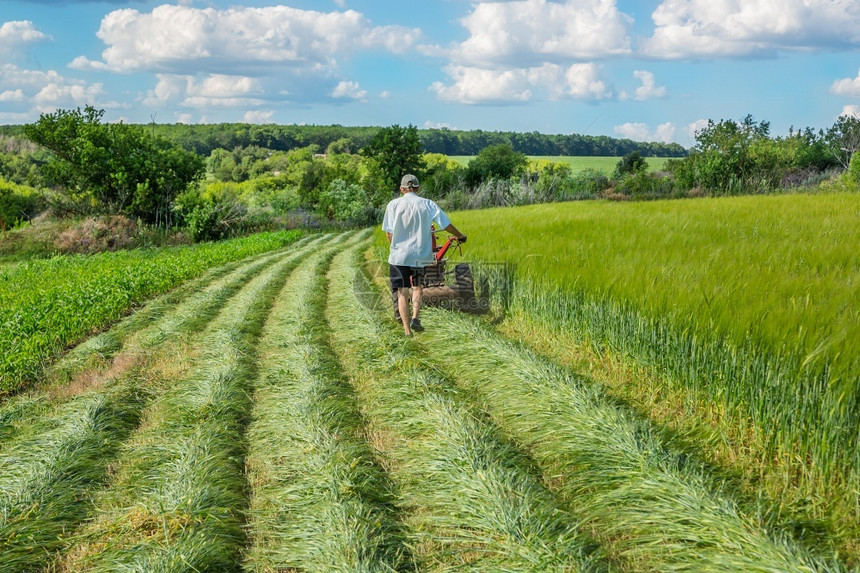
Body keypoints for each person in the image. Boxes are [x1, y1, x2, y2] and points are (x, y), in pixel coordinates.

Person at [382, 174, 467, 337]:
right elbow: (446, 224)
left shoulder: (393, 205)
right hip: (420, 255)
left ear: (402, 189)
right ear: (418, 188)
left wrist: (396, 248)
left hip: (399, 256)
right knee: (418, 287)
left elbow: (389, 233)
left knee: (402, 291)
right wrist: (460, 235)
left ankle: (407, 330)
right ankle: (415, 318)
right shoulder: (428, 204)